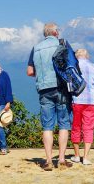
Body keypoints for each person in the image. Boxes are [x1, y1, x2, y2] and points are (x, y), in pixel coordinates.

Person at [27, 23, 73, 171]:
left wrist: (41, 75)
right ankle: (61, 159)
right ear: (55, 32)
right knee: (64, 124)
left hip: (44, 89)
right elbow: (71, 66)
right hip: (61, 88)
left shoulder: (36, 48)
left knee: (47, 126)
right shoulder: (62, 44)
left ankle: (48, 160)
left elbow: (29, 71)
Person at [70, 49, 94, 165]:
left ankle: (76, 155)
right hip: (91, 101)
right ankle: (85, 157)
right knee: (88, 128)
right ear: (87, 56)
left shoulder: (72, 67)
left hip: (77, 100)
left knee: (76, 127)